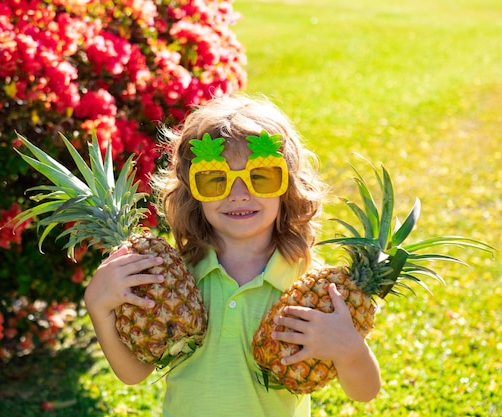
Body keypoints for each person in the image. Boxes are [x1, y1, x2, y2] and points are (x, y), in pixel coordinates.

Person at [84, 94, 381, 416]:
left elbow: (365, 392)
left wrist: (350, 351)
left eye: (260, 176)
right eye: (215, 180)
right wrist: (98, 306)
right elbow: (134, 373)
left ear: (288, 185)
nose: (239, 195)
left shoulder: (308, 282)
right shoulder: (173, 276)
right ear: (190, 191)